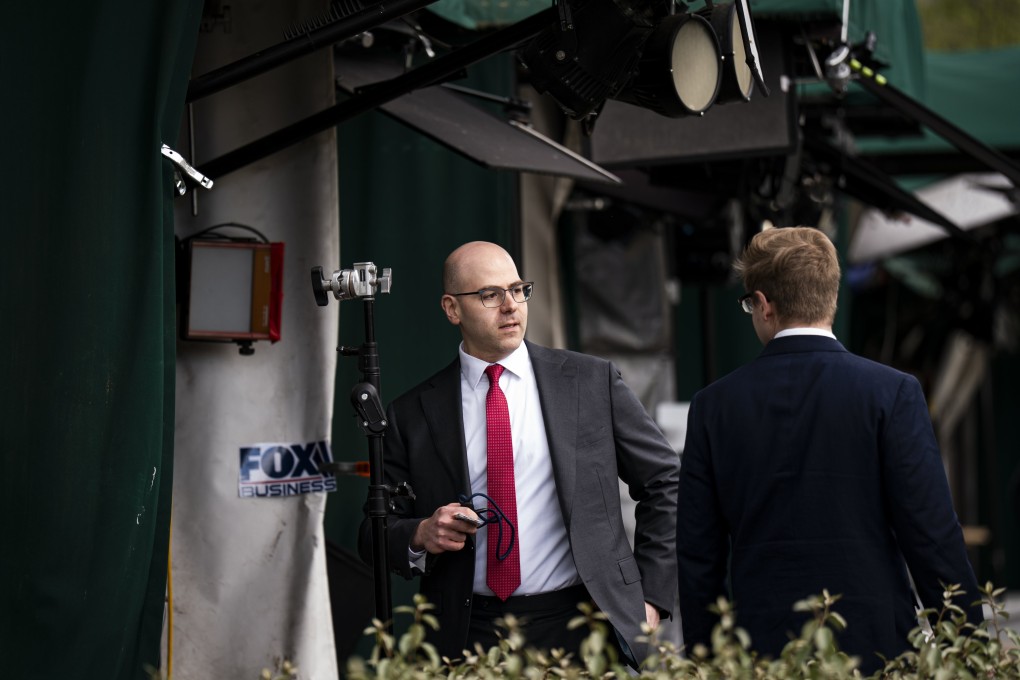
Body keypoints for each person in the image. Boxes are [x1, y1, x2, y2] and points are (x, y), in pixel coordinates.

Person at [676, 226, 982, 673]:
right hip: (877, 649)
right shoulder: (892, 393)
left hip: (759, 654)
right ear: (831, 296)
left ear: (763, 304)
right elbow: (933, 537)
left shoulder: (713, 406)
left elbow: (699, 556)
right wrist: (970, 652)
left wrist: (705, 659)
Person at [359, 241, 679, 665]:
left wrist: (651, 597)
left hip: (583, 620)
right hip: (467, 630)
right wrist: (420, 534)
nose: (510, 306)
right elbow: (374, 532)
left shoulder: (590, 381)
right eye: (490, 295)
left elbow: (665, 481)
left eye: (517, 290)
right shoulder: (411, 413)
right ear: (453, 309)